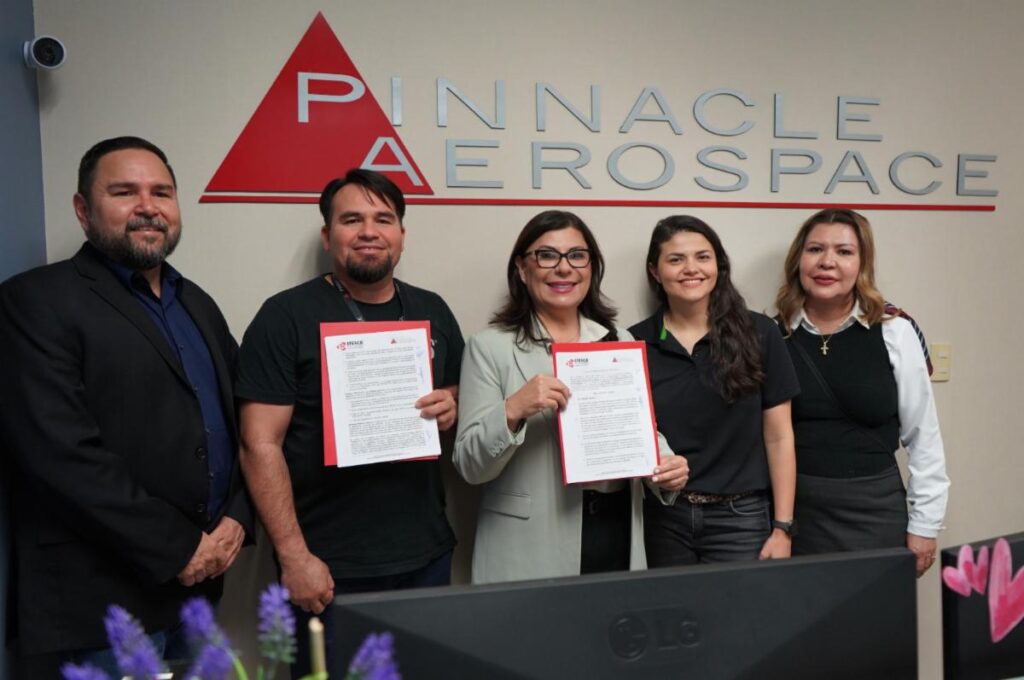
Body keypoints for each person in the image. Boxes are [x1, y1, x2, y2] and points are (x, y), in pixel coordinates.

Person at [0, 136, 252, 678]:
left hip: (199, 588)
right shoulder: (35, 301)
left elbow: (239, 420)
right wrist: (179, 548)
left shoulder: (196, 303)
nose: (147, 206)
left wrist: (238, 515)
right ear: (82, 209)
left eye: (161, 192)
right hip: (100, 599)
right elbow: (60, 453)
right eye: (124, 192)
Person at [236, 169, 464, 677]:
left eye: (383, 219)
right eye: (351, 219)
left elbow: (456, 391)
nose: (369, 232)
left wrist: (451, 403)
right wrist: (294, 557)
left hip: (425, 556)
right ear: (328, 235)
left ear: (401, 234)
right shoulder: (285, 317)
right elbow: (258, 445)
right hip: (328, 566)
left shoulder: (432, 309)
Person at [454, 210, 687, 584]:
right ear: (522, 269)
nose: (564, 268)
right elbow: (470, 466)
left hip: (616, 525)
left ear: (591, 268)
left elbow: (637, 428)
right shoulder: (489, 347)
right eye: (547, 255)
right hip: (530, 540)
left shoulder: (619, 339)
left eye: (577, 255)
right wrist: (513, 409)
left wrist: (666, 464)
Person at [774, 208, 949, 576]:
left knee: (876, 614)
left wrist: (925, 525)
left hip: (874, 511)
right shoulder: (772, 334)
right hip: (795, 516)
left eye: (844, 252)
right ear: (798, 260)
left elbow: (924, 436)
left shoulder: (894, 330)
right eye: (815, 249)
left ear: (862, 263)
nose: (827, 262)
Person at [630, 216, 799, 566]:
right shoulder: (633, 343)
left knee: (739, 605)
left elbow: (779, 437)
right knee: (670, 605)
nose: (691, 268)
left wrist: (783, 528)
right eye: (676, 259)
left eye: (703, 257)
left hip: (741, 519)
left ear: (719, 266)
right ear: (655, 271)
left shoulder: (760, 332)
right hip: (664, 518)